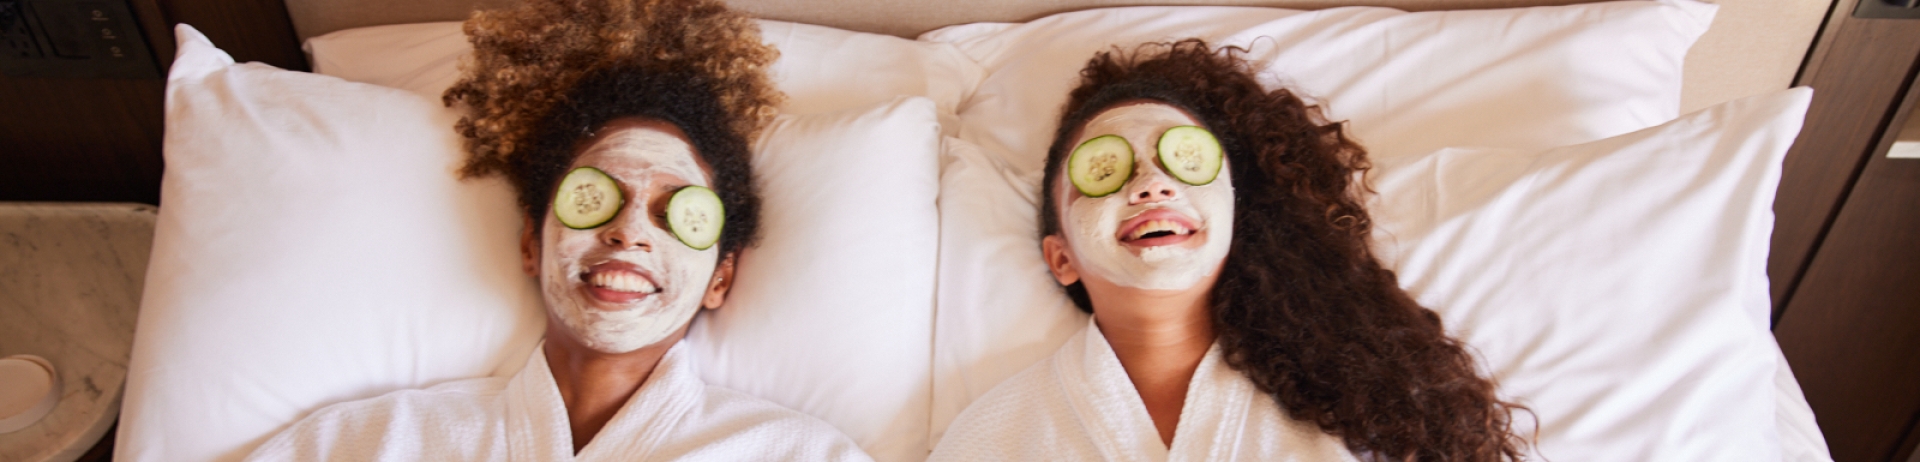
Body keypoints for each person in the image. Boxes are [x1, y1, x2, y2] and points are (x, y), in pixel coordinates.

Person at [246, 0, 870, 460]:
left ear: (720, 276)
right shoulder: (363, 443)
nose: (629, 231)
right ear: (530, 242)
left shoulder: (797, 453)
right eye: (596, 198)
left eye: (676, 210)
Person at [930, 39, 1530, 461]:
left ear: (1235, 217)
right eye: (1104, 169)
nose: (1151, 183)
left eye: (1183, 161)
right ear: (1059, 256)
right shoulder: (989, 438)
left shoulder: (1366, 410)